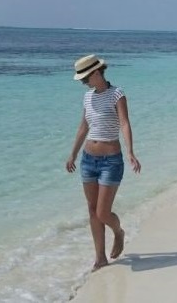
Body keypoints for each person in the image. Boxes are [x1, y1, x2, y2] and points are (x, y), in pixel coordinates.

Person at [65, 54, 141, 271]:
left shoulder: (117, 94)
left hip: (111, 161)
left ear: (97, 72)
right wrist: (73, 154)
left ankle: (118, 232)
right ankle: (100, 258)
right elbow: (84, 126)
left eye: (85, 78)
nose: (83, 83)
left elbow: (124, 124)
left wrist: (131, 152)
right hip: (88, 160)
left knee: (103, 213)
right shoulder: (88, 97)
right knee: (92, 210)